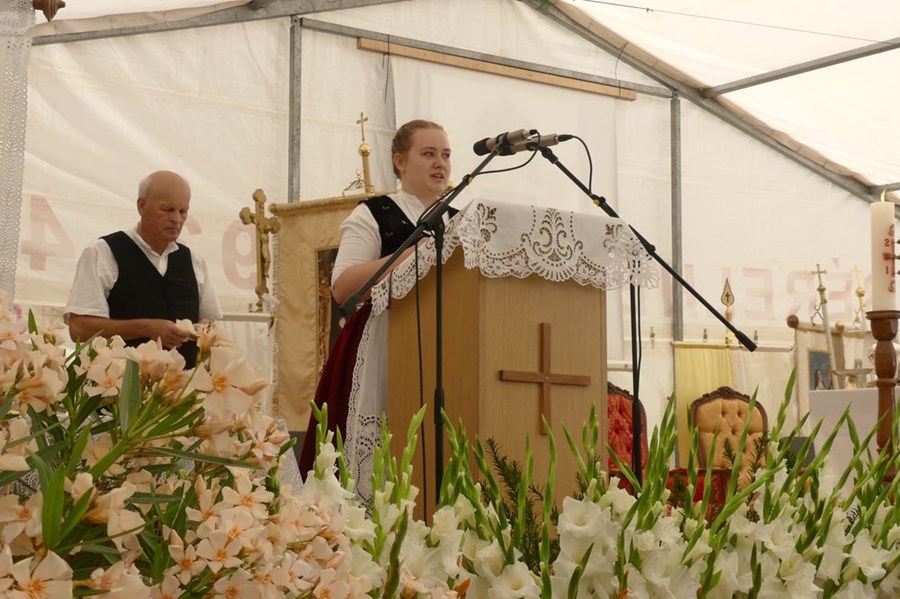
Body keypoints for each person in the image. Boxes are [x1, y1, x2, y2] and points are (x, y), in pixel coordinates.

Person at [298, 119, 454, 500]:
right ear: (400, 161)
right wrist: (413, 252)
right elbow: (343, 286)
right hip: (383, 347)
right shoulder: (375, 213)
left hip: (447, 345)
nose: (440, 164)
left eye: (446, 155)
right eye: (428, 154)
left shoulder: (459, 219)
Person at [65, 170, 222, 368]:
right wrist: (145, 328)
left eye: (183, 211)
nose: (176, 219)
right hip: (120, 383)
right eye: (167, 209)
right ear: (142, 206)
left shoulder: (194, 261)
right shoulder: (103, 253)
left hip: (181, 384)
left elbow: (209, 324)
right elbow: (80, 328)